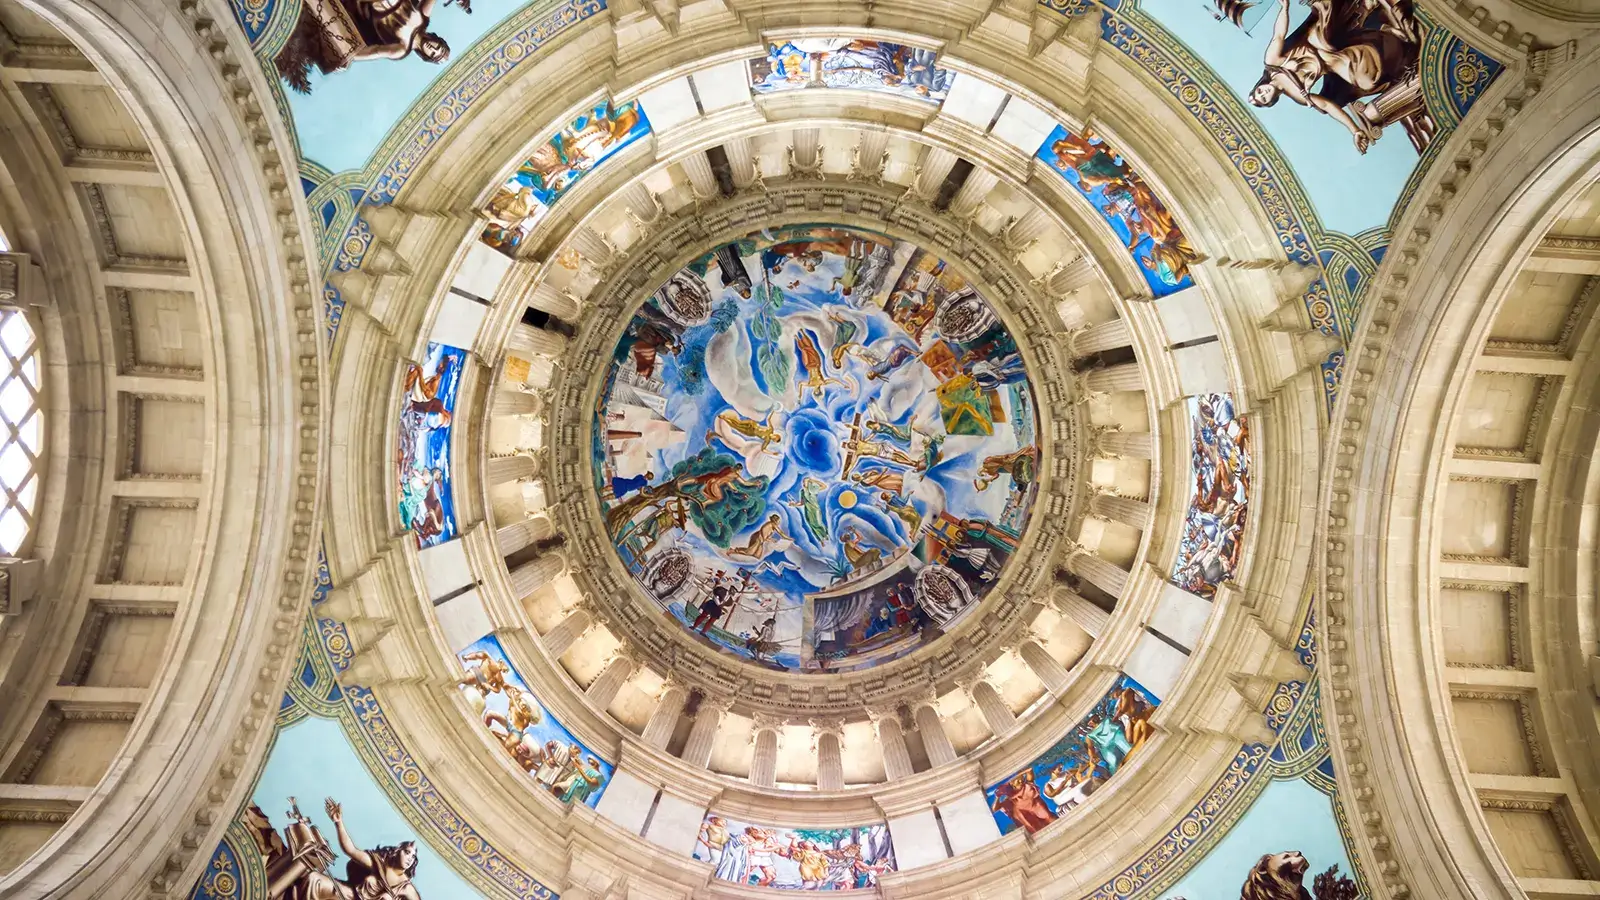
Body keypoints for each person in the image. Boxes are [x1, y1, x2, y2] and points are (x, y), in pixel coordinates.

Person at [274, 0, 466, 95]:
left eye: (433, 52)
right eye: (438, 46)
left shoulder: (401, 49)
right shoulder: (423, 18)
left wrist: (350, 55)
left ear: (426, 55)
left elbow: (375, 52)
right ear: (438, 39)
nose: (433, 47)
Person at [301, 798, 422, 899]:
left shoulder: (406, 887)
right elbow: (351, 850)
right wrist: (338, 822)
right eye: (407, 852)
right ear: (397, 851)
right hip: (350, 896)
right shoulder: (379, 865)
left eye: (413, 856)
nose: (410, 859)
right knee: (314, 879)